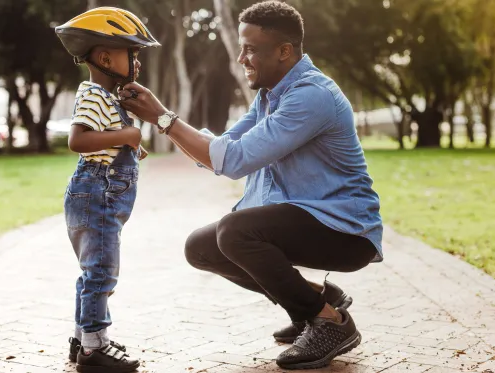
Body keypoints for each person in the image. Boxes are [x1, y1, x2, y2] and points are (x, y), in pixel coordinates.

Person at [119, 1, 383, 370]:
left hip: (344, 230)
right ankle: (320, 300)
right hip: (306, 220)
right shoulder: (268, 96)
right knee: (201, 247)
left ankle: (330, 322)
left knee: (235, 232)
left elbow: (235, 161)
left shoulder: (311, 96)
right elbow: (221, 149)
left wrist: (163, 118)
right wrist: (164, 121)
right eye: (242, 48)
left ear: (284, 51)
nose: (242, 58)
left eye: (251, 49)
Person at [55, 7, 159, 373]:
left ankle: (81, 338)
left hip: (101, 193)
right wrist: (129, 135)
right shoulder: (94, 95)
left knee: (93, 271)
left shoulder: (109, 97)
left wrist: (130, 145)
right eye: (134, 55)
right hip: (96, 191)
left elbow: (106, 141)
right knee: (101, 272)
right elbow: (78, 140)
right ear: (104, 57)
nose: (138, 63)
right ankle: (94, 349)